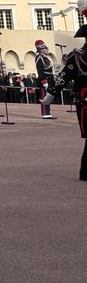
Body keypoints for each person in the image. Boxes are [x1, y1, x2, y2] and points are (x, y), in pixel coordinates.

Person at [53, 20, 87, 180]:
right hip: (85, 100)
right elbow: (65, 76)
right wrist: (52, 92)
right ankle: (85, 172)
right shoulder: (77, 56)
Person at [34, 40, 56, 119]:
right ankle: (45, 113)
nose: (47, 50)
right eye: (45, 49)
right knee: (45, 96)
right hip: (45, 80)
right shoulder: (39, 57)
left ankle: (48, 112)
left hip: (49, 79)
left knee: (48, 96)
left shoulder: (44, 57)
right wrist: (44, 81)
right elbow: (40, 70)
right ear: (41, 50)